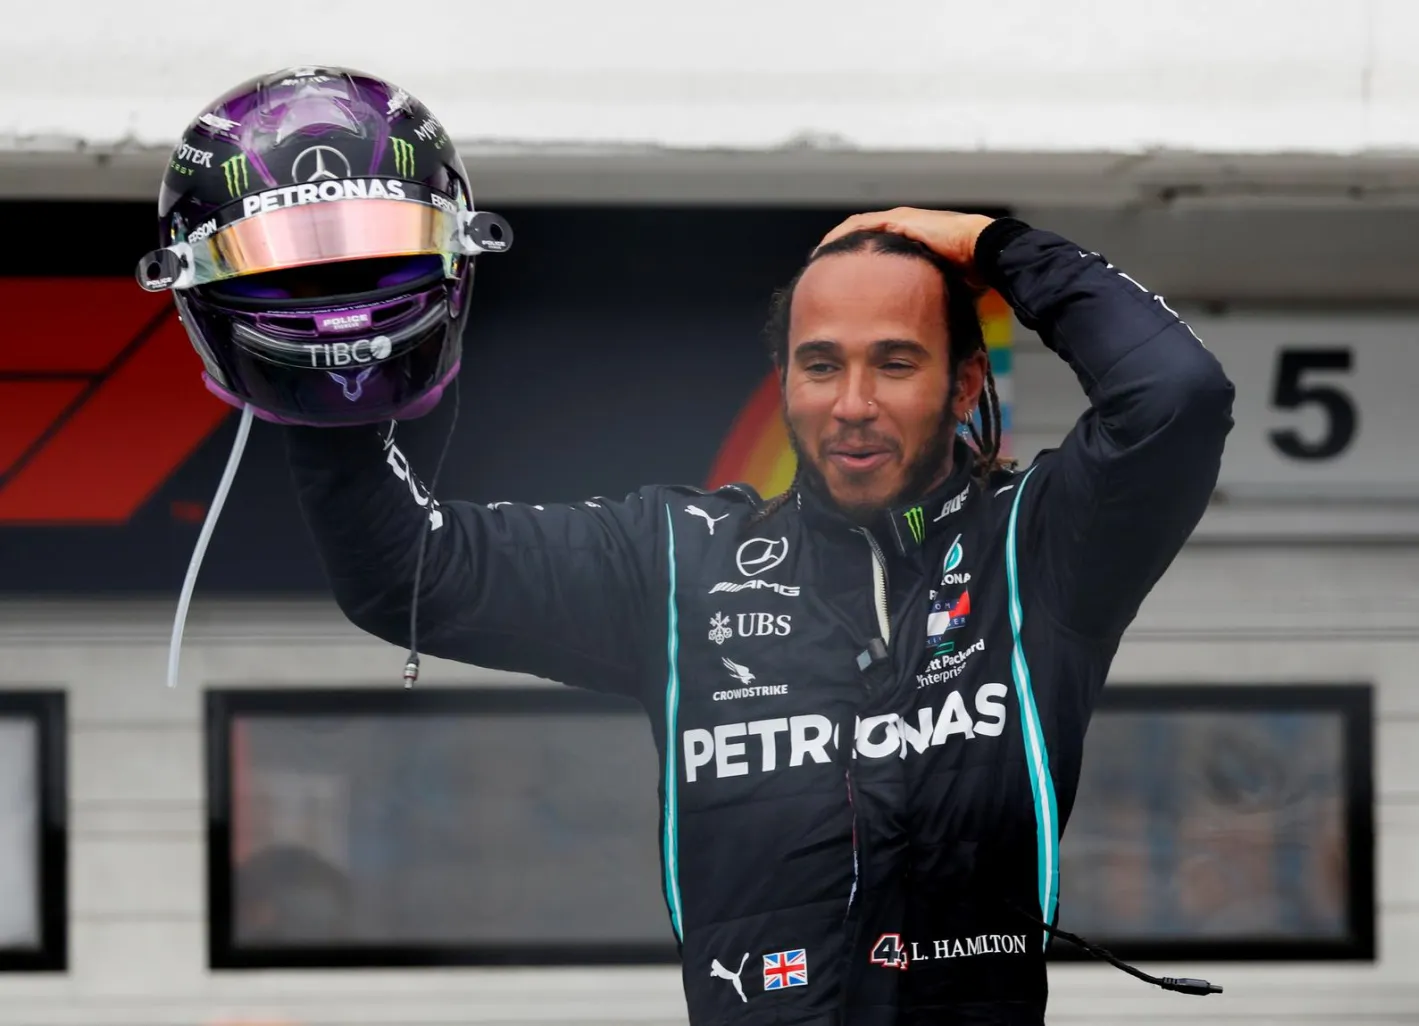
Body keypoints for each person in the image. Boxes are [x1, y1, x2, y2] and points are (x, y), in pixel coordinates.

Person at [144, 66, 1234, 1026]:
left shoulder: (1036, 554)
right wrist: (330, 361)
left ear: (961, 386)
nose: (853, 402)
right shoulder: (678, 562)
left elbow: (1177, 396)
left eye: (895, 363)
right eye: (819, 365)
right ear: (786, 385)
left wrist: (996, 245)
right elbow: (407, 575)